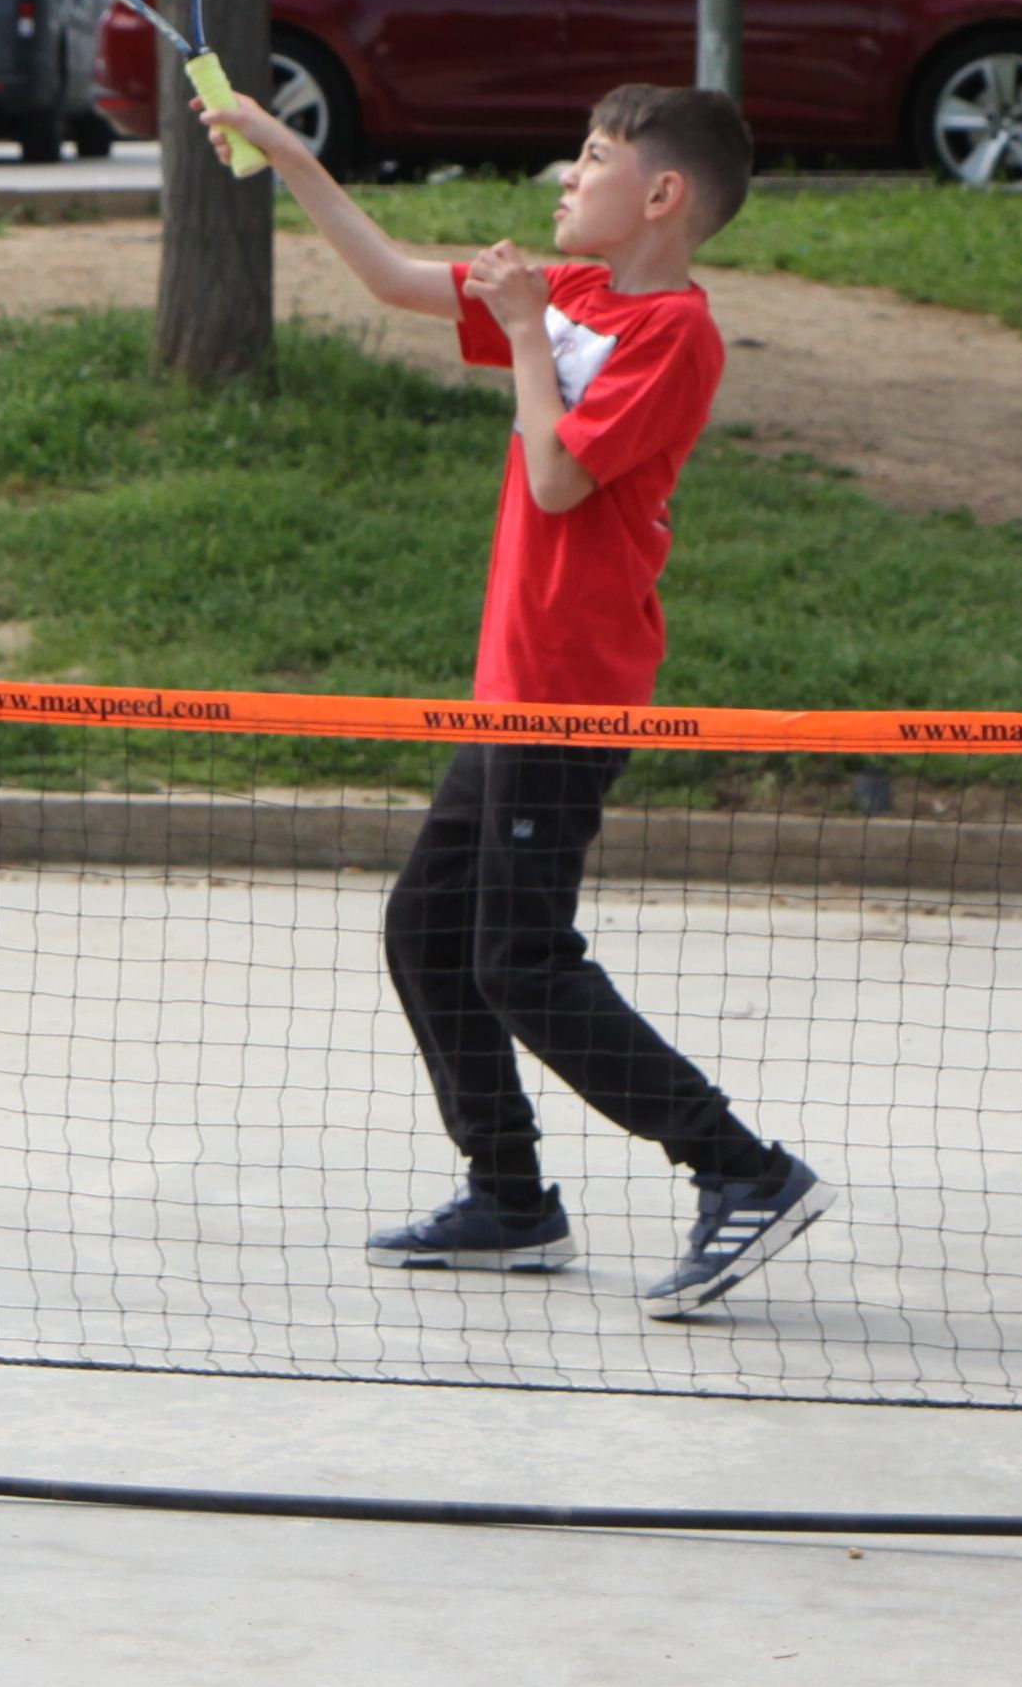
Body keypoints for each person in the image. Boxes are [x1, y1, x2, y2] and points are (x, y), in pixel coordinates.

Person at [207, 79, 831, 1317]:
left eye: (591, 157)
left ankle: (744, 1170)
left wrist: (530, 333)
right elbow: (389, 275)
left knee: (520, 961)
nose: (565, 173)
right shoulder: (576, 297)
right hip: (511, 688)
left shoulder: (669, 334)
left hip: (574, 697)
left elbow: (555, 479)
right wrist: (285, 152)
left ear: (663, 196)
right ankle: (512, 1198)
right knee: (427, 935)